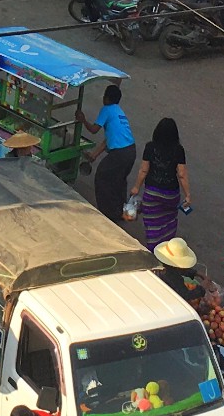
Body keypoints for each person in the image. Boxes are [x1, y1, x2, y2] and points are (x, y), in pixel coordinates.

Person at [126, 117, 191, 249]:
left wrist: (136, 187)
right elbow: (182, 174)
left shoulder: (150, 147)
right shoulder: (178, 150)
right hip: (170, 195)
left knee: (152, 225)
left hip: (151, 193)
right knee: (169, 222)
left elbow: (144, 170)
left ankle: (153, 249)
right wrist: (188, 195)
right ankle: (166, 250)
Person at [84, 83, 138, 219]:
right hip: (131, 150)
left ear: (106, 98)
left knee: (102, 177)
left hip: (120, 153)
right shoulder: (119, 111)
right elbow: (108, 139)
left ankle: (107, 212)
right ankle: (121, 210)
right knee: (119, 180)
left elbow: (94, 130)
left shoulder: (107, 109)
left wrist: (82, 119)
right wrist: (94, 155)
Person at [152, 238, 212, 306]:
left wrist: (196, 273)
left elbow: (178, 269)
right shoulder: (173, 277)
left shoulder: (160, 265)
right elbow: (186, 295)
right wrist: (202, 288)